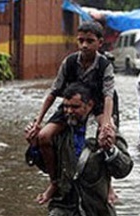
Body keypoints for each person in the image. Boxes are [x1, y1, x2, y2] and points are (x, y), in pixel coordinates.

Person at [24, 83, 133, 216]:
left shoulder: (105, 132)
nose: (68, 112)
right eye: (65, 107)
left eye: (74, 107)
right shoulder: (58, 131)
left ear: (89, 105)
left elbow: (124, 168)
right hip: (64, 206)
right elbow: (47, 167)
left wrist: (110, 150)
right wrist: (34, 146)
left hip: (97, 211)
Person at [26, 21, 118, 205]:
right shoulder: (69, 62)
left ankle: (108, 184)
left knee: (107, 137)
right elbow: (53, 92)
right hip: (72, 106)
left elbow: (108, 96)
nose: (84, 45)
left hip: (97, 105)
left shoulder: (104, 65)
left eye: (90, 41)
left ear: (100, 43)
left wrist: (106, 124)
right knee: (43, 137)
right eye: (81, 40)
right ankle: (54, 182)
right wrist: (38, 121)